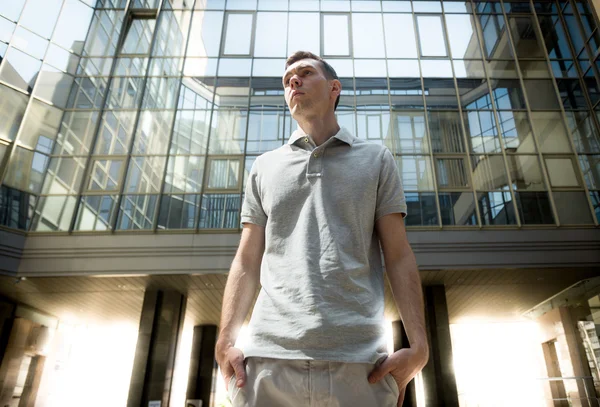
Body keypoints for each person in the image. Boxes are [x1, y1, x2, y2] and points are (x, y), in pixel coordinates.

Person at [215, 51, 428, 407]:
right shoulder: (264, 166)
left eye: (304, 73)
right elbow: (247, 260)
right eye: (287, 80)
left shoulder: (376, 158)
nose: (292, 81)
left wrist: (419, 347)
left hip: (360, 365)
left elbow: (399, 255)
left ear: (334, 88)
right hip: (267, 362)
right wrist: (224, 342)